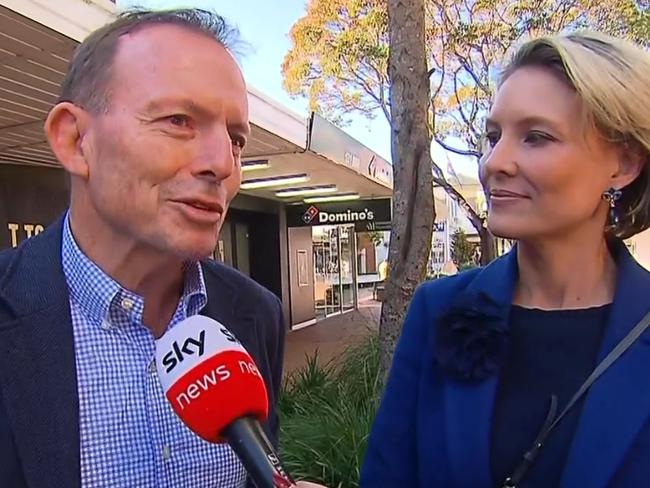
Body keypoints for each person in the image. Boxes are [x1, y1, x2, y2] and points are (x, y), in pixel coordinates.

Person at [0, 9, 320, 488]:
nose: (222, 165)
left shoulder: (257, 314)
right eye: (178, 120)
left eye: (236, 140)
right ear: (75, 139)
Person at [361, 31, 650, 487]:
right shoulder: (438, 311)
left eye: (535, 137)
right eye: (493, 136)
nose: (496, 161)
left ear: (624, 163)